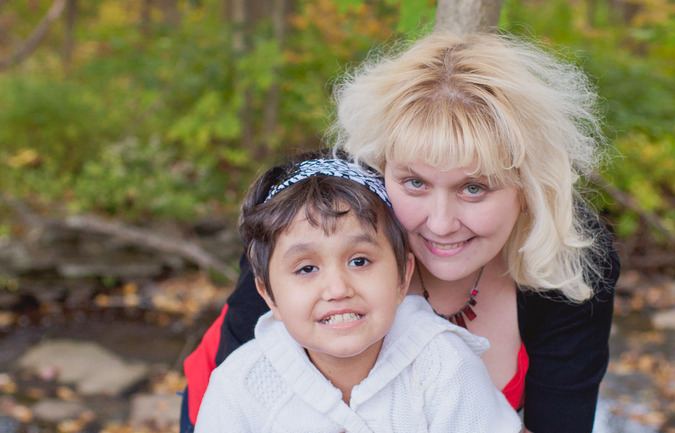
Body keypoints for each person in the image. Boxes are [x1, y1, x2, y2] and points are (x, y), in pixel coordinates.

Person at [182, 31, 620, 433]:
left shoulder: (573, 261)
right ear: (379, 168)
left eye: (474, 188)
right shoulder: (311, 228)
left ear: (528, 188)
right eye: (415, 183)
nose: (441, 223)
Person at [194, 154, 522, 432]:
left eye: (359, 261)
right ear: (267, 295)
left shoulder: (445, 366)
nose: (338, 289)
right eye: (306, 269)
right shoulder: (240, 387)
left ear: (402, 276)